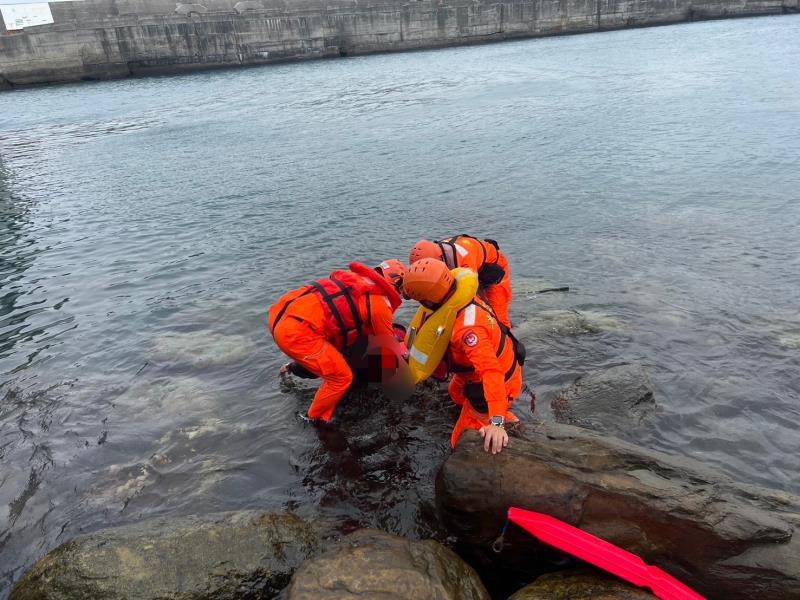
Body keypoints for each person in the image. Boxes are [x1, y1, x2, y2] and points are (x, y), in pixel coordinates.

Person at [402, 258, 522, 454]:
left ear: (428, 301)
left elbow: (492, 372)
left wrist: (496, 422)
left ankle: (501, 417)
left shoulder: (467, 331)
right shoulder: (461, 296)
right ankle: (492, 413)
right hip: (485, 369)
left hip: (500, 380)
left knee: (457, 442)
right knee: (455, 393)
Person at [268, 260, 406, 422]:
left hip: (280, 316)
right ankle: (314, 419)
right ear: (396, 282)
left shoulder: (356, 282)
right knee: (341, 378)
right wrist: (404, 375)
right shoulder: (380, 303)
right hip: (297, 333)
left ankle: (291, 369)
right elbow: (388, 350)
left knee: (334, 357)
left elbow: (340, 341)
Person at [409, 235, 513, 328]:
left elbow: (471, 295)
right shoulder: (438, 253)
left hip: (496, 267)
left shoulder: (464, 261)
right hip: (478, 265)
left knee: (498, 314)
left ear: (438, 259)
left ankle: (509, 342)